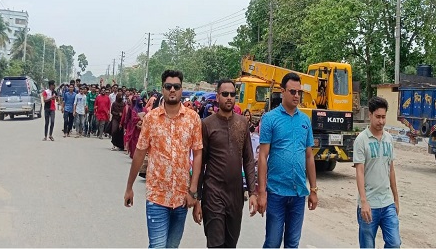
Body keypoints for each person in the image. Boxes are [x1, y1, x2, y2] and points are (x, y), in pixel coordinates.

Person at [124, 70, 203, 248]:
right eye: (168, 86)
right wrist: (129, 187)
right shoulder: (151, 119)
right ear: (163, 89)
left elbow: (198, 154)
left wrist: (193, 191)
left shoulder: (193, 119)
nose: (172, 90)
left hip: (182, 197)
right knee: (158, 246)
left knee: (172, 247)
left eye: (176, 86)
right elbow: (139, 153)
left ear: (182, 89)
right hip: (157, 196)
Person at [192, 79, 258, 248]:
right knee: (215, 243)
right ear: (217, 96)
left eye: (232, 94)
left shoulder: (242, 123)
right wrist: (197, 198)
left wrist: (252, 192)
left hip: (236, 194)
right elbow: (200, 163)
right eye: (225, 94)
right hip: (213, 192)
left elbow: (249, 159)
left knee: (230, 243)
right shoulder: (207, 125)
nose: (229, 98)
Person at [257, 73, 318, 248]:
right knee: (273, 243)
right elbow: (263, 156)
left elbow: (309, 156)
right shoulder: (270, 119)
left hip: (298, 193)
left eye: (299, 92)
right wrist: (262, 192)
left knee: (292, 243)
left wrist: (313, 190)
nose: (296, 95)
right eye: (292, 91)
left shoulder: (305, 121)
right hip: (276, 192)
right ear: (282, 91)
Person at [353, 96, 400, 249]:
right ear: (370, 115)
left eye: (383, 117)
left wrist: (396, 200)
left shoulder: (388, 139)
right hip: (369, 205)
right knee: (367, 246)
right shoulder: (361, 140)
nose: (381, 121)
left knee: (394, 244)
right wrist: (364, 202)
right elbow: (359, 172)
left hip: (387, 203)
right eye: (378, 117)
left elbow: (391, 170)